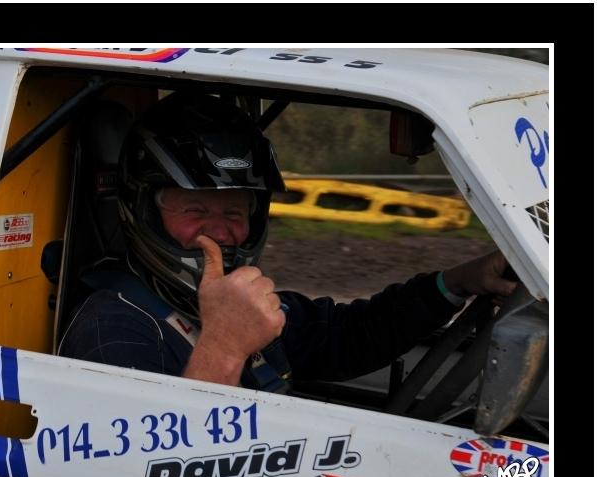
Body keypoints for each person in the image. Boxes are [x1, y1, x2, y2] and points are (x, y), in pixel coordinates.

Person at [58, 92, 516, 392]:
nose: (219, 230)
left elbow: (348, 337)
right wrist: (224, 347)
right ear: (143, 211)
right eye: (195, 210)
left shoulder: (231, 305)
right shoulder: (114, 330)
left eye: (233, 213)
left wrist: (457, 283)